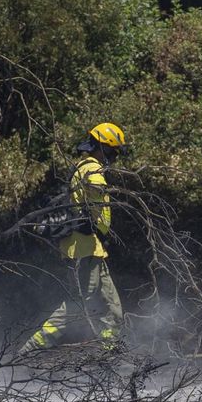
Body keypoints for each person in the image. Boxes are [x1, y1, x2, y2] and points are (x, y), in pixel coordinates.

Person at [24, 122, 126, 350]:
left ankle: (108, 355)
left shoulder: (84, 167)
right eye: (112, 152)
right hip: (82, 248)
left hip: (93, 248)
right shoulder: (91, 167)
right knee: (77, 306)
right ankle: (30, 349)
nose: (114, 158)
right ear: (102, 147)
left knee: (114, 310)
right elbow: (95, 186)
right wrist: (107, 190)